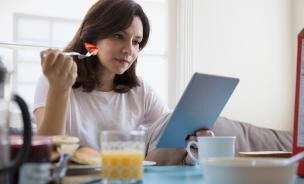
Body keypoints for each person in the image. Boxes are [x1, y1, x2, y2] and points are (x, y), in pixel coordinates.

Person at [34, 0, 212, 165]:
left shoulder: (140, 90)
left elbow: (165, 138)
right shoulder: (55, 79)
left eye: (136, 42)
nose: (129, 50)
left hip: (127, 183)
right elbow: (47, 155)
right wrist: (60, 88)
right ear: (92, 40)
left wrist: (192, 143)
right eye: (118, 36)